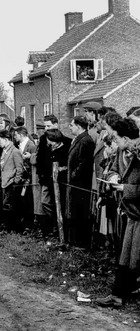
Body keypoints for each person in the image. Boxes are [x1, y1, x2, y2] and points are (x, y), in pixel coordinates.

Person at [96, 118, 140, 308]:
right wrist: (113, 177)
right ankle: (118, 295)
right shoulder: (122, 150)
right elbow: (112, 168)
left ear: (126, 138)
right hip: (131, 213)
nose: (114, 142)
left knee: (135, 256)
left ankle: (123, 293)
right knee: (126, 255)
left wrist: (124, 188)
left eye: (116, 138)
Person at [66, 116, 95, 248]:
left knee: (80, 212)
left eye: (72, 125)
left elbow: (84, 162)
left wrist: (74, 174)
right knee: (75, 211)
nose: (70, 127)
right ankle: (74, 240)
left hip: (81, 184)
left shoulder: (85, 140)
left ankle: (81, 242)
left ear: (78, 126)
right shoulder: (79, 139)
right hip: (75, 183)